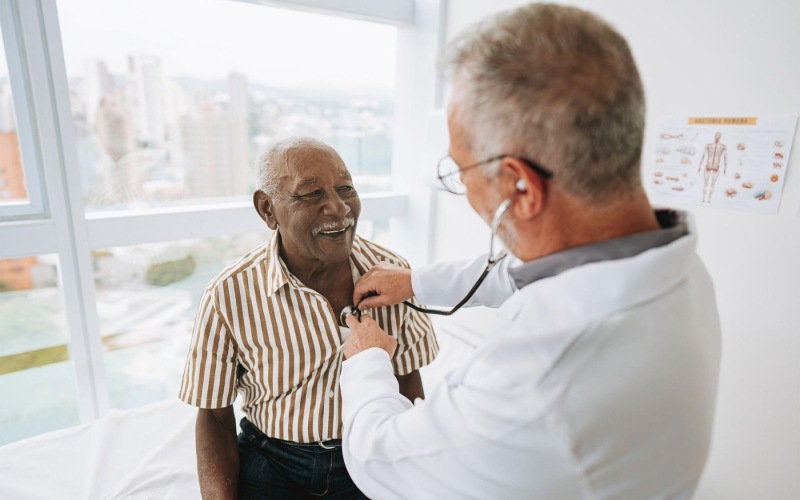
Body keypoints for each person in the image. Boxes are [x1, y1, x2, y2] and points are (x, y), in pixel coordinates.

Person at [338, 4, 722, 499]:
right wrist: (417, 281)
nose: (466, 190)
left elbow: (379, 458)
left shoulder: (536, 385)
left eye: (460, 171)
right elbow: (542, 274)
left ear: (521, 187)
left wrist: (367, 361)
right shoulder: (676, 266)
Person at [179, 137, 439, 499]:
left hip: (364, 451)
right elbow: (213, 418)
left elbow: (408, 381)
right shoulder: (228, 295)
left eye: (346, 188)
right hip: (273, 459)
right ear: (267, 209)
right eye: (311, 194)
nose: (337, 208)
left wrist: (411, 474)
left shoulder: (395, 275)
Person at [697, 131, 728, 203]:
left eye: (718, 135)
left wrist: (725, 169)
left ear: (720, 137)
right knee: (705, 183)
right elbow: (703, 156)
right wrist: (700, 166)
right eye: (716, 135)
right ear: (714, 136)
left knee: (713, 184)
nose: (717, 136)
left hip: (716, 166)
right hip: (708, 165)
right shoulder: (708, 145)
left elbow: (725, 158)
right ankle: (703, 199)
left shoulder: (723, 146)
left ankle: (709, 199)